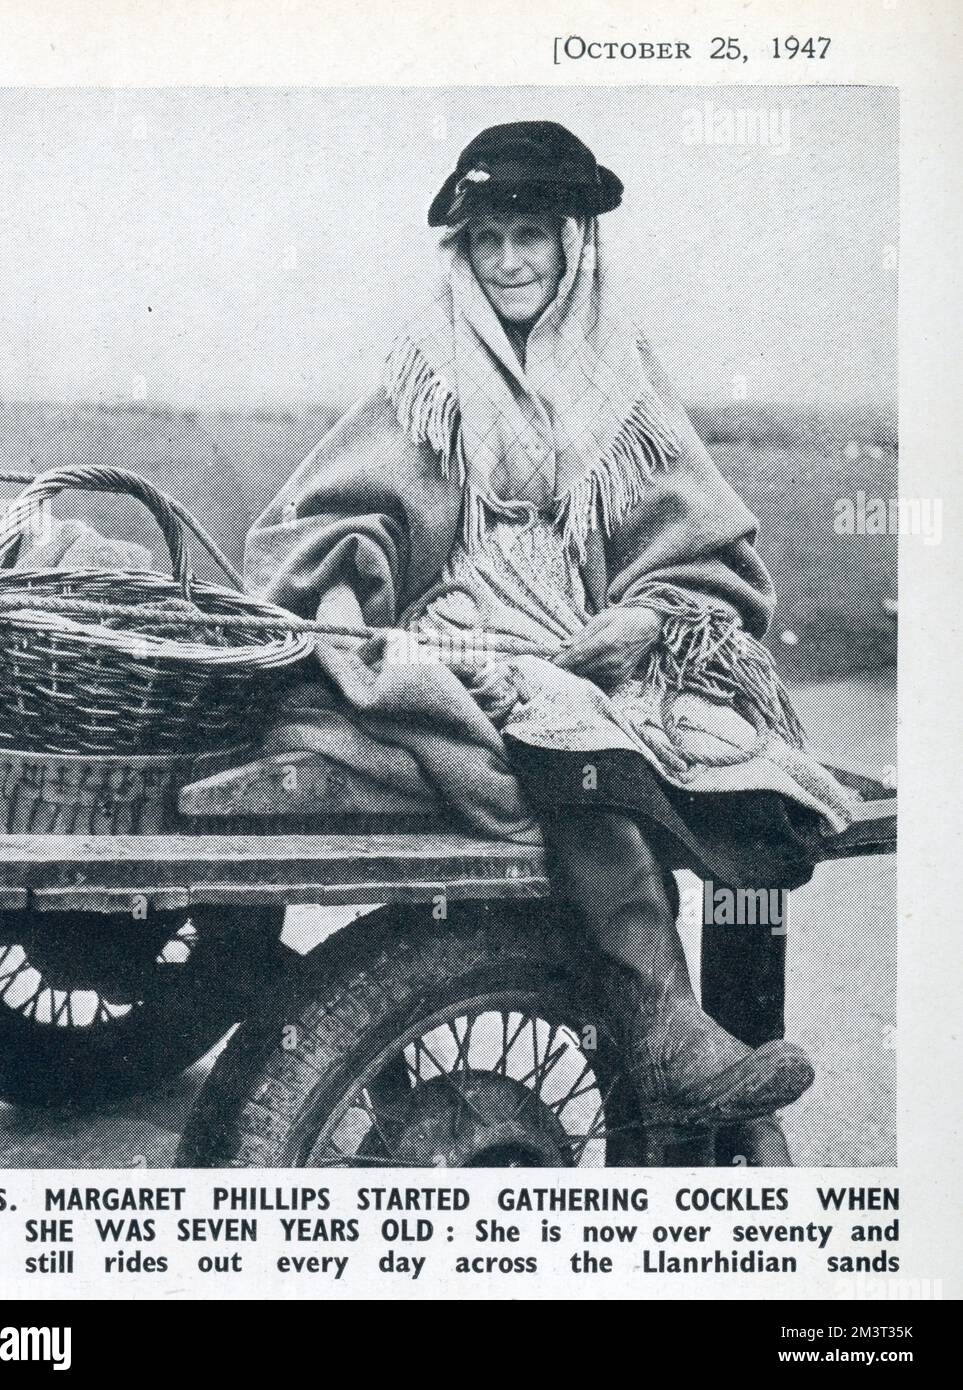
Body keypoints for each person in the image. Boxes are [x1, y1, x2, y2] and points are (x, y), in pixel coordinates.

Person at [245, 122, 857, 1136]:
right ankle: (663, 1031)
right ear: (463, 250)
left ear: (575, 240)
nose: (509, 261)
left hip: (593, 638)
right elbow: (326, 518)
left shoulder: (622, 379)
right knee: (558, 721)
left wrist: (643, 616)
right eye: (487, 238)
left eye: (530, 233)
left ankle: (681, 1032)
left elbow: (704, 549)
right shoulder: (427, 371)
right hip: (469, 636)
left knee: (703, 738)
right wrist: (360, 589)